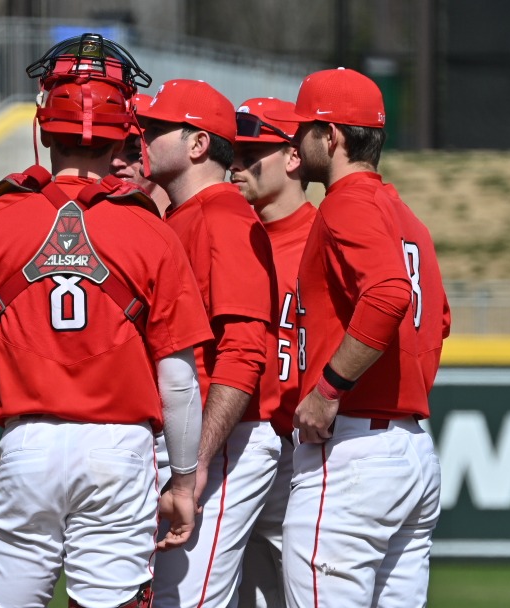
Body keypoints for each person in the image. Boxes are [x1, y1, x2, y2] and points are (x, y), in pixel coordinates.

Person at [0, 33, 212, 608]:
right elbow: (179, 378)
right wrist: (185, 479)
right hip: (121, 449)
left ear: (43, 125)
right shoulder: (150, 230)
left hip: (29, 445)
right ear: (125, 130)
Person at [274, 67, 450, 607]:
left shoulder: (348, 202)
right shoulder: (405, 216)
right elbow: (437, 319)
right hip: (411, 452)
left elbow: (389, 294)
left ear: (332, 137)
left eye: (305, 128)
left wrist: (329, 390)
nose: (295, 139)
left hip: (355, 453)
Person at [135, 80, 282, 608]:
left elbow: (244, 350)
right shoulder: (182, 216)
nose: (142, 137)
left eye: (155, 129)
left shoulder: (223, 216)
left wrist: (191, 463)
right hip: (196, 437)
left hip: (224, 438)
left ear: (198, 145)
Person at [229, 97, 315, 608]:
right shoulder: (231, 233)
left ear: (293, 157)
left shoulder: (327, 236)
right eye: (234, 151)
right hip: (239, 443)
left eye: (254, 150)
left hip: (301, 450)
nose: (238, 163)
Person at [110, 93, 172, 215]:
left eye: (134, 150)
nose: (115, 162)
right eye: (109, 151)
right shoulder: (94, 216)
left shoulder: (190, 219)